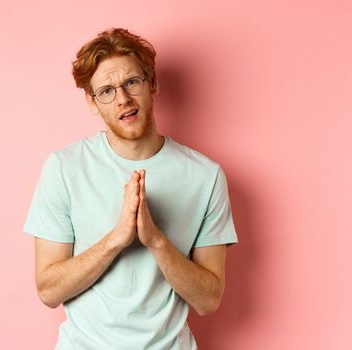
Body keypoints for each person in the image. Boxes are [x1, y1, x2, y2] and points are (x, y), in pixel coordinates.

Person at [23, 28, 238, 349]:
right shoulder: (64, 168)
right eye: (106, 90)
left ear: (153, 84)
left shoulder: (205, 176)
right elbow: (49, 291)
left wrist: (155, 240)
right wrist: (116, 240)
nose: (122, 99)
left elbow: (208, 300)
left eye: (131, 83)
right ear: (93, 103)